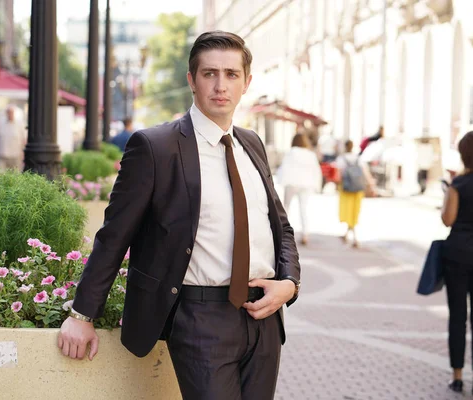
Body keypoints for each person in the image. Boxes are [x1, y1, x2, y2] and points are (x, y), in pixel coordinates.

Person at [58, 31, 301, 400]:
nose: (221, 86)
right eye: (209, 74)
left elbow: (279, 226)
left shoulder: (251, 143)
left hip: (265, 320)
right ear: (191, 80)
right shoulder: (156, 147)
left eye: (232, 75)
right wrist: (81, 315)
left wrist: (290, 283)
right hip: (200, 320)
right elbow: (114, 235)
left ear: (246, 83)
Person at [441, 131, 473, 396]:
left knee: (458, 317)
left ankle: (457, 377)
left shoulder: (458, 184)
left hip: (457, 256)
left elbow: (448, 220)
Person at [276, 133, 322, 246]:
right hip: (306, 184)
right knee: (303, 209)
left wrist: (281, 181)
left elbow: (284, 167)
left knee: (286, 207)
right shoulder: (310, 154)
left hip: (291, 182)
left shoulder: (292, 152)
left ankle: (283, 232)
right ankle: (305, 234)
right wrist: (317, 186)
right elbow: (316, 170)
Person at [336, 139, 374, 248]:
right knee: (354, 212)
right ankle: (350, 235)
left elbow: (338, 175)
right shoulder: (359, 159)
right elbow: (366, 173)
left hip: (346, 188)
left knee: (347, 211)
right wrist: (371, 185)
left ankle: (354, 238)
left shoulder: (341, 159)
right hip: (358, 188)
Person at [0, 106, 27, 170]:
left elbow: (24, 140)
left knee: (15, 175)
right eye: (8, 113)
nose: (10, 114)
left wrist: (23, 154)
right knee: (0, 175)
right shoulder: (0, 123)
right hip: (1, 154)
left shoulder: (20, 124)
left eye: (11, 112)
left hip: (15, 155)